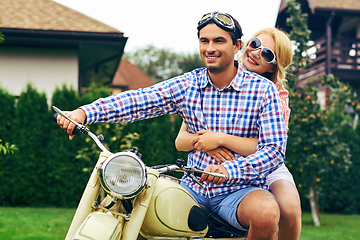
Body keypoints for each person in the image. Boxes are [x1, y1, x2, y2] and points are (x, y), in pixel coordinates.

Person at [56, 12, 287, 240]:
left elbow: (274, 149)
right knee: (130, 206)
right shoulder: (188, 84)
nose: (210, 48)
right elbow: (140, 100)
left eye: (218, 41)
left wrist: (229, 170)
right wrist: (85, 113)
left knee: (266, 212)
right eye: (204, 40)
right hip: (192, 188)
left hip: (240, 190)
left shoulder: (263, 90)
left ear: (236, 46)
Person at [175, 27, 301, 240]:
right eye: (255, 44)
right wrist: (206, 143)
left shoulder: (275, 95)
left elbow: (267, 147)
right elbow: (181, 140)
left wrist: (220, 140)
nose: (255, 53)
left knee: (289, 208)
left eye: (267, 54)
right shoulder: (214, 77)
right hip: (217, 164)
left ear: (273, 67)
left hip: (265, 164)